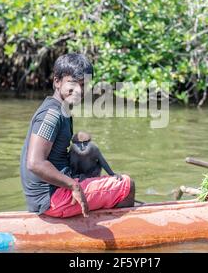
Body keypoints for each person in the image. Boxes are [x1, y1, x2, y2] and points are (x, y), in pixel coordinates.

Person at [20, 53, 135, 218]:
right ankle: (121, 231)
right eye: (73, 84)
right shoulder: (51, 115)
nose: (79, 90)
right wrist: (74, 186)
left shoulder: (62, 110)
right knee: (126, 185)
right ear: (57, 81)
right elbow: (35, 163)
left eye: (84, 85)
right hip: (53, 199)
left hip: (49, 196)